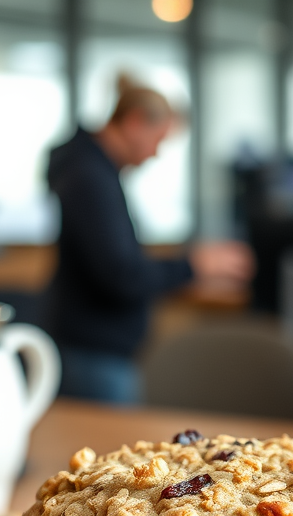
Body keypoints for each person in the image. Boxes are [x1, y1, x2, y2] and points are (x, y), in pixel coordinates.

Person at [44, 76, 253, 404]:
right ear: (134, 122)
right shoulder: (89, 177)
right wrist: (193, 265)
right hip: (95, 352)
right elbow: (121, 274)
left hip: (93, 348)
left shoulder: (93, 171)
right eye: (157, 139)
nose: (155, 153)